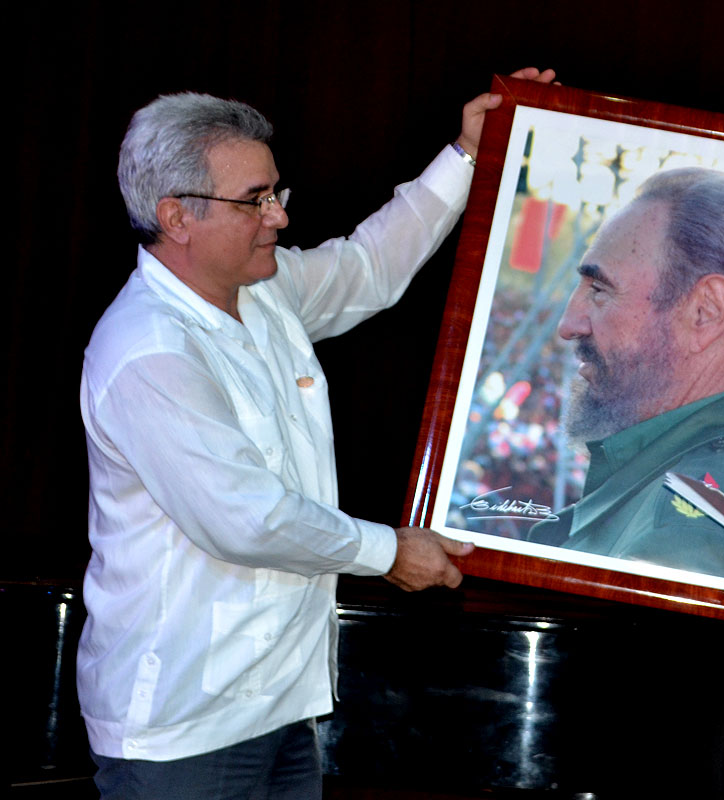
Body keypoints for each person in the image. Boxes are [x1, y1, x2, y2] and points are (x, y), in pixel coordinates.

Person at [78, 68, 556, 799]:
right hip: (182, 731)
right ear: (176, 217)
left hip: (280, 708)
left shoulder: (262, 293)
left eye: (276, 192)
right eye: (254, 201)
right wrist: (391, 552)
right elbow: (248, 519)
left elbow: (369, 268)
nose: (278, 217)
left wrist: (466, 154)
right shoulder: (150, 353)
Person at [528, 167, 724, 580]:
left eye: (599, 290)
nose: (569, 324)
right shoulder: (693, 464)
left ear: (705, 312)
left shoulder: (711, 496)